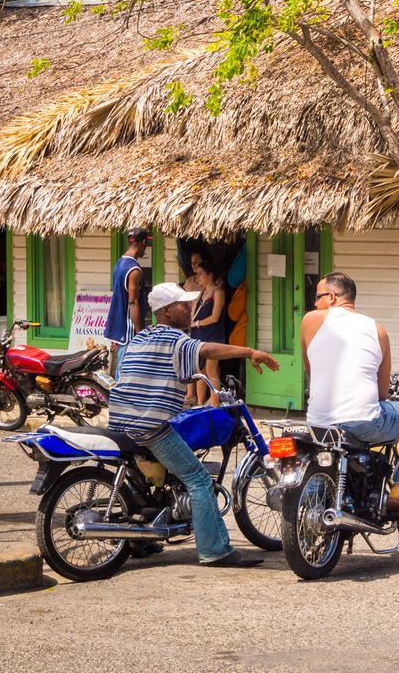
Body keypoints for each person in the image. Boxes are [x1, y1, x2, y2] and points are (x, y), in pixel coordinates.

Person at [106, 282, 278, 567]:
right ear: (166, 311)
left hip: (122, 421)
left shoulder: (142, 336)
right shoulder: (175, 339)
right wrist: (249, 352)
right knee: (198, 479)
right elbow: (207, 350)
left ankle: (138, 540)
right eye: (184, 306)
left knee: (144, 480)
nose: (190, 309)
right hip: (148, 425)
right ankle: (216, 550)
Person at [301, 271, 399, 533]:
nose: (314, 304)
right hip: (360, 420)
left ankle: (310, 499)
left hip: (318, 422)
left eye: (317, 297)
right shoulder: (378, 331)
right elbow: (382, 393)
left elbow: (311, 369)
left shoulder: (309, 321)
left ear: (333, 297)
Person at [104, 228, 150, 377]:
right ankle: (119, 399)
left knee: (122, 368)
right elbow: (133, 302)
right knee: (126, 371)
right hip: (128, 328)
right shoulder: (134, 270)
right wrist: (140, 332)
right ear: (143, 242)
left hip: (118, 325)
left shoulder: (120, 263)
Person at [189, 263, 227, 406]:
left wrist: (197, 323)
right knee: (200, 371)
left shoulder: (217, 293)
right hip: (199, 335)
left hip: (213, 336)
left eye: (200, 273)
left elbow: (214, 317)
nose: (197, 277)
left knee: (211, 371)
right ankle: (200, 404)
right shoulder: (201, 293)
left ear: (210, 275)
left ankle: (215, 405)